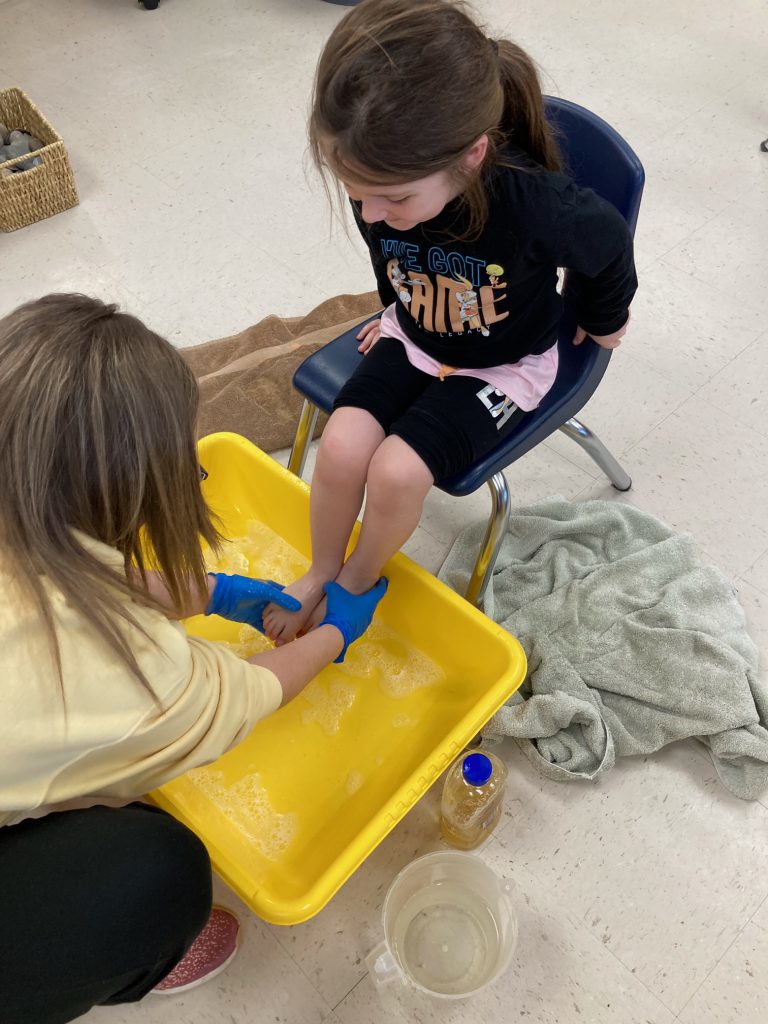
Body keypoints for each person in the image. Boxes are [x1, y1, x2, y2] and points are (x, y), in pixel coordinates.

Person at [0, 293, 386, 1023]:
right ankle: (109, 961)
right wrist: (338, 631)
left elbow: (53, 566)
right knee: (165, 869)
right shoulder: (133, 675)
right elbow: (248, 693)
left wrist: (212, 592)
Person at [263, 0, 638, 643]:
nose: (372, 213)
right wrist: (394, 310)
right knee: (345, 445)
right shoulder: (381, 183)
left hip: (506, 362)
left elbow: (607, 242)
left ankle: (356, 581)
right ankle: (322, 568)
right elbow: (391, 253)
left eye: (394, 197)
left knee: (396, 471)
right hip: (415, 335)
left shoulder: (535, 205)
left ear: (471, 155)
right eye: (356, 195)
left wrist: (606, 318)